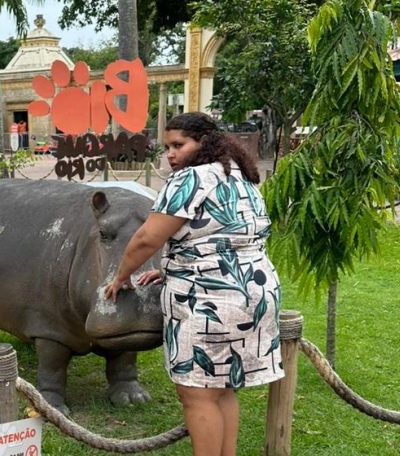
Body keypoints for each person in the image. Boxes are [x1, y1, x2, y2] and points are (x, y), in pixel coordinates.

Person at [104, 112, 283, 456]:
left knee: (196, 393)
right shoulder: (239, 176)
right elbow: (225, 237)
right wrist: (172, 269)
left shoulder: (190, 178)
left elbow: (146, 238)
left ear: (205, 143)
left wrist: (121, 276)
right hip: (255, 291)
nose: (170, 154)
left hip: (212, 300)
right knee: (221, 388)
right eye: (167, 147)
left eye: (178, 145)